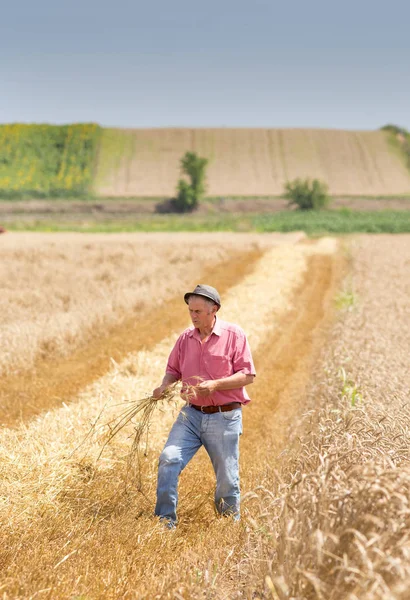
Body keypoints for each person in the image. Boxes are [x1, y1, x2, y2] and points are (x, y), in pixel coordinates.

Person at [153, 284, 256, 528]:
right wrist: (164, 386)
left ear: (214, 310)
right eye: (190, 311)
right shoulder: (185, 339)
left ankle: (228, 525)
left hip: (224, 416)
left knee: (227, 480)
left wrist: (216, 385)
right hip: (191, 415)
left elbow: (248, 375)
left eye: (198, 311)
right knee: (169, 459)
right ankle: (164, 522)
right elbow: (173, 371)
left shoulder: (234, 335)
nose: (193, 316)